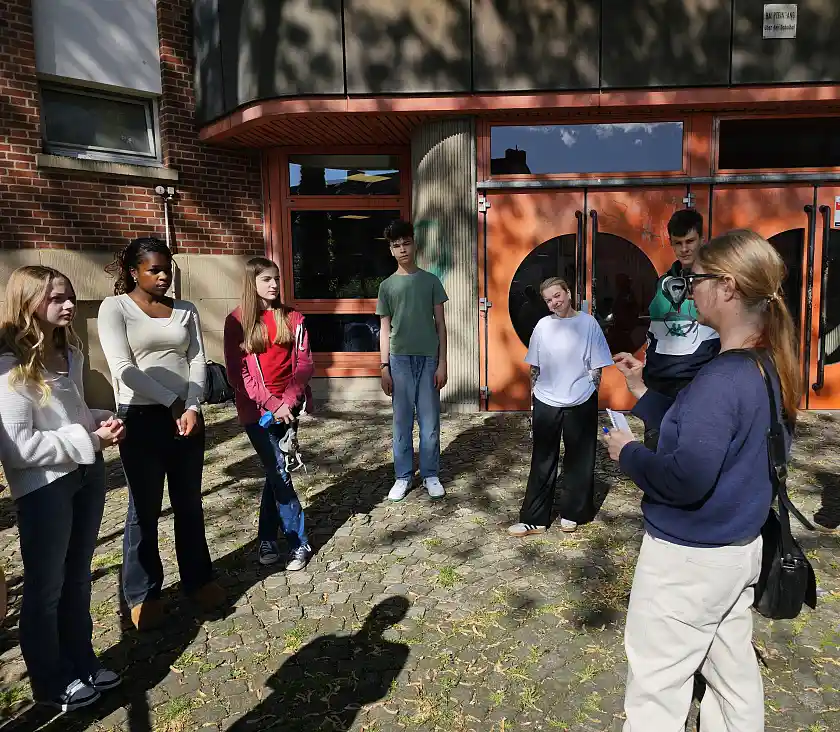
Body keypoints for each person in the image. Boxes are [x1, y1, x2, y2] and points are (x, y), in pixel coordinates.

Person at [604, 230, 799, 731]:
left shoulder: (720, 379)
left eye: (698, 279)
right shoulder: (762, 367)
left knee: (657, 686)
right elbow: (709, 434)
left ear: (728, 287)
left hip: (688, 561)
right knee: (732, 675)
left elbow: (683, 478)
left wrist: (627, 453)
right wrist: (643, 391)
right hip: (737, 550)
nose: (689, 288)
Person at [0, 266, 125, 711]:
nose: (69, 304)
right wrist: (89, 440)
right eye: (56, 298)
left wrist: (98, 419)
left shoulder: (68, 349)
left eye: (70, 295)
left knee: (77, 579)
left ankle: (82, 661)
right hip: (45, 489)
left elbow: (66, 415)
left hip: (86, 475)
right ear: (27, 302)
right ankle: (50, 681)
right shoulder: (9, 365)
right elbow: (18, 449)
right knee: (46, 587)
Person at [99, 237, 223, 631]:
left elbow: (197, 359)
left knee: (189, 503)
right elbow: (123, 366)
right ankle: (142, 592)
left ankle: (198, 579)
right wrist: (171, 401)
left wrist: (190, 405)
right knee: (144, 509)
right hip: (140, 419)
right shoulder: (114, 308)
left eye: (167, 267)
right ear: (133, 272)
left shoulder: (185, 310)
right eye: (154, 269)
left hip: (185, 417)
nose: (164, 275)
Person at [223, 257, 314, 570]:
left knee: (276, 471)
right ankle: (299, 543)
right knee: (279, 473)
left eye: (276, 278)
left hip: (289, 410)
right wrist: (271, 404)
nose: (274, 285)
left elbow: (304, 365)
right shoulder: (237, 321)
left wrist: (288, 401)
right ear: (252, 283)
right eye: (266, 279)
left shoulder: (294, 318)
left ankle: (266, 538)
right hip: (256, 413)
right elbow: (238, 375)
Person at [508, 277, 613, 537]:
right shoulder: (543, 326)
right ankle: (535, 518)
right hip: (546, 399)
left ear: (568, 293)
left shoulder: (588, 324)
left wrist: (590, 392)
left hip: (581, 399)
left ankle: (573, 513)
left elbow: (597, 364)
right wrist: (534, 402)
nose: (555, 302)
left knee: (579, 458)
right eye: (549, 300)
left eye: (558, 295)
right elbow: (535, 366)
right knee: (543, 459)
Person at [630, 209, 721, 449]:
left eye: (690, 241)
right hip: (659, 382)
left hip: (697, 383)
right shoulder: (663, 282)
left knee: (691, 455)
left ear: (702, 239)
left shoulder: (720, 280)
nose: (685, 249)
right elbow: (654, 330)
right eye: (678, 243)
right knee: (655, 451)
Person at [377, 219, 448, 501]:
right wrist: (384, 367)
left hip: (429, 359)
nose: (402, 249)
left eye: (406, 243)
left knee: (430, 423)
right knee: (402, 422)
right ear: (391, 251)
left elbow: (441, 325)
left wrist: (443, 363)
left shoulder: (431, 281)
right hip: (399, 361)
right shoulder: (387, 286)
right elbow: (384, 329)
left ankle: (431, 474)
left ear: (415, 245)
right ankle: (403, 476)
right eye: (396, 245)